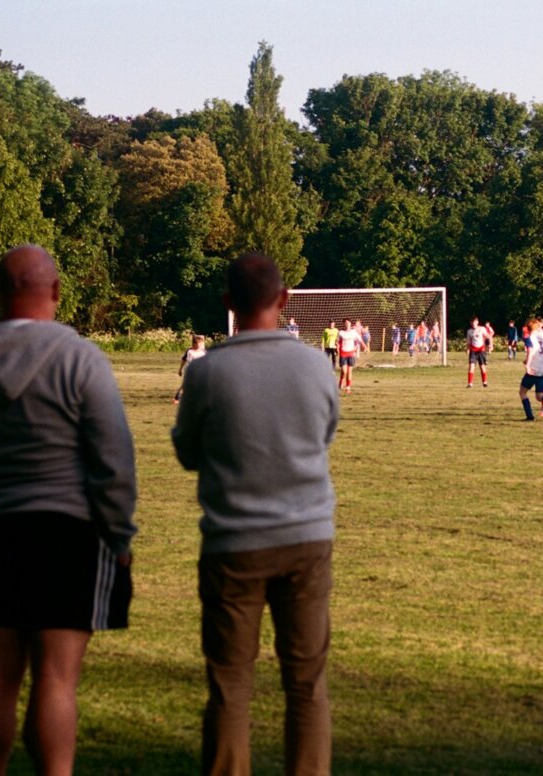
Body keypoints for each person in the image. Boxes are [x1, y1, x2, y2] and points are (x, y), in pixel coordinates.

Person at [0, 244, 137, 776]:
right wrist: (119, 535)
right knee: (56, 679)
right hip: (70, 532)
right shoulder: (79, 357)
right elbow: (114, 460)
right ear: (57, 293)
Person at [172, 253, 337, 775]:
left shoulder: (209, 370)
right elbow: (324, 435)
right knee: (307, 685)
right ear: (284, 300)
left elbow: (187, 452)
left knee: (229, 685)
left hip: (232, 544)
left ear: (227, 305)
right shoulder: (315, 364)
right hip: (305, 538)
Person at [175, 334, 208, 404]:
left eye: (200, 344)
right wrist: (180, 369)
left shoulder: (203, 352)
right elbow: (184, 360)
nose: (199, 345)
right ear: (193, 344)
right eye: (198, 344)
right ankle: (177, 397)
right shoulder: (189, 351)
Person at [337, 317, 361, 394]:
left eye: (348, 323)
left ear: (351, 324)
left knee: (349, 371)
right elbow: (337, 342)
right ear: (343, 324)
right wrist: (337, 349)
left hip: (351, 353)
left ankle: (348, 387)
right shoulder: (341, 332)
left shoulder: (354, 332)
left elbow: (358, 340)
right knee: (344, 371)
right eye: (346, 323)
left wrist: (362, 348)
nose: (347, 324)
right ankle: (341, 379)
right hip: (343, 353)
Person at [465, 316, 489, 388]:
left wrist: (488, 346)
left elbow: (487, 337)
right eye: (472, 322)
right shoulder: (469, 331)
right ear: (470, 323)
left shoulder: (482, 329)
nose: (473, 324)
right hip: (473, 351)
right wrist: (468, 349)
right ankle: (470, 383)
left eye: (474, 322)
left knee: (482, 367)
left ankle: (485, 382)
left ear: (477, 322)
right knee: (471, 367)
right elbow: (469, 342)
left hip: (481, 350)